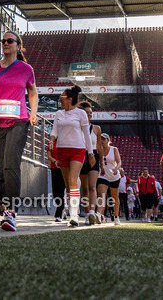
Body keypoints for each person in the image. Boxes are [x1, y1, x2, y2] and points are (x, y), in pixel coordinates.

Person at [0, 31, 38, 231]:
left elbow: (33, 92)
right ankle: (5, 203)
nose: (5, 43)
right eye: (2, 40)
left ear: (18, 46)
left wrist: (33, 113)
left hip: (18, 121)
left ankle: (11, 212)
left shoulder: (26, 69)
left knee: (11, 164)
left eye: (10, 40)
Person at [48, 85, 95, 227]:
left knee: (73, 180)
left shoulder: (80, 114)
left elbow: (86, 134)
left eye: (62, 96)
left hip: (78, 150)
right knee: (68, 185)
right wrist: (51, 140)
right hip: (62, 150)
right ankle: (72, 211)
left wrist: (90, 152)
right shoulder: (58, 114)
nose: (60, 98)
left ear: (69, 98)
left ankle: (74, 216)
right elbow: (54, 130)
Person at [77, 100, 103, 224]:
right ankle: (87, 214)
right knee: (85, 188)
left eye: (91, 113)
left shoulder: (97, 129)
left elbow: (99, 147)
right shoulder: (77, 127)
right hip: (82, 156)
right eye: (87, 113)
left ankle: (92, 211)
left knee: (93, 186)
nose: (89, 115)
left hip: (94, 156)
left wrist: (102, 164)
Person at [96, 133, 123, 224]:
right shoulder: (98, 150)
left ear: (108, 140)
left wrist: (116, 168)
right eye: (101, 139)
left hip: (114, 175)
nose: (102, 141)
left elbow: (119, 162)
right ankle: (99, 215)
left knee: (114, 197)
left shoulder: (114, 149)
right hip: (103, 175)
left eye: (104, 139)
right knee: (101, 194)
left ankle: (116, 216)